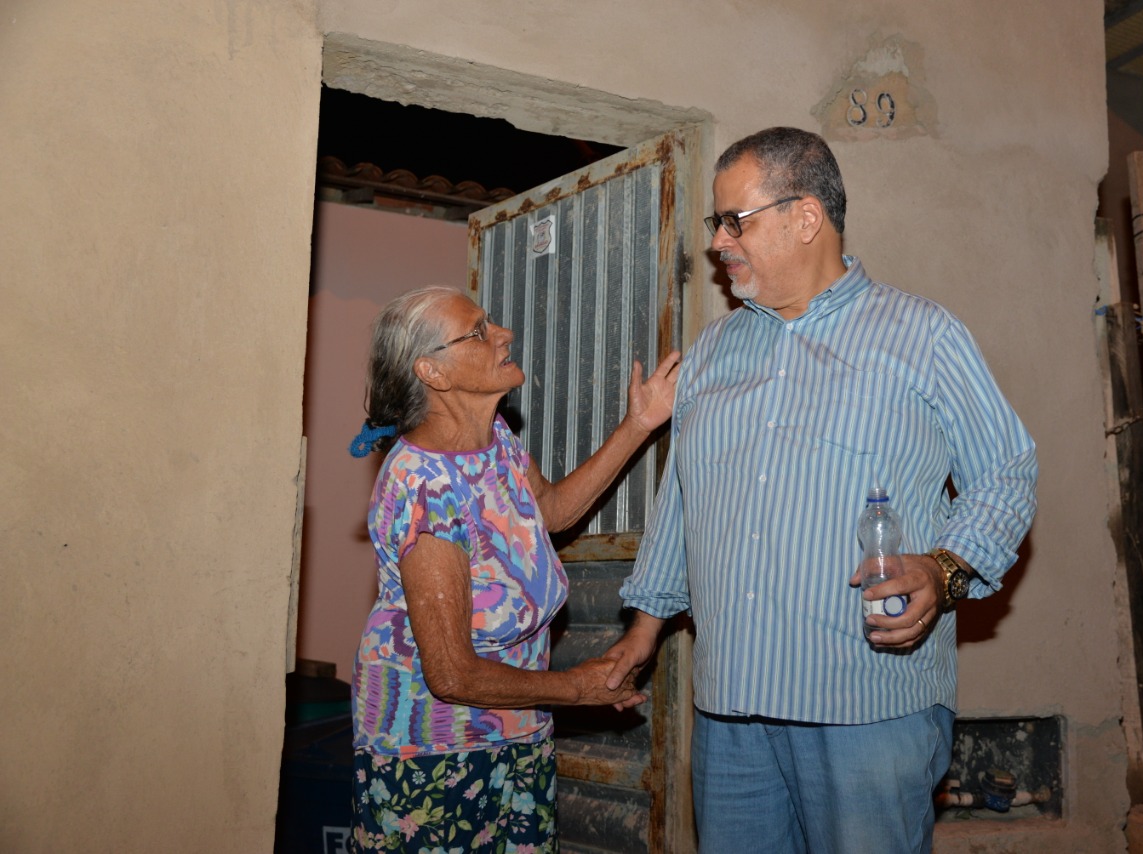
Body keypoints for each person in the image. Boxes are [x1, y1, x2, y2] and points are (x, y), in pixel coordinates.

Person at [604, 127, 1038, 853]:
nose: (717, 242)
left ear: (806, 217)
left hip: (866, 706)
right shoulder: (714, 351)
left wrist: (944, 571)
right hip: (731, 708)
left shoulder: (922, 335)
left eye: (733, 220)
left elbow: (1007, 472)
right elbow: (684, 496)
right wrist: (644, 628)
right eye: (716, 221)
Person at [346, 286, 680, 853]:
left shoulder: (495, 440)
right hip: (434, 757)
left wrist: (639, 424)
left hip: (516, 733)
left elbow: (551, 511)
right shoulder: (422, 488)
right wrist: (578, 689)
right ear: (433, 372)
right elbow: (452, 674)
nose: (503, 335)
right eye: (478, 332)